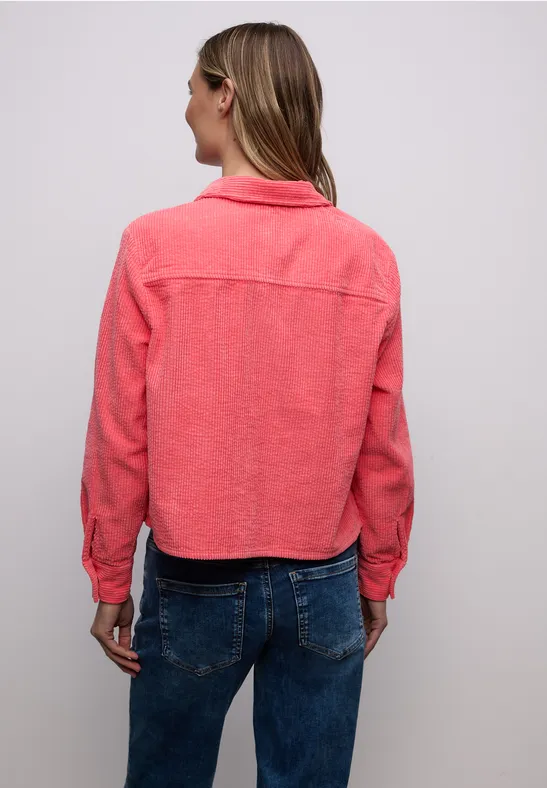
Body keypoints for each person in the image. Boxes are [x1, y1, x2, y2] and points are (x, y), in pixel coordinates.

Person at [80, 21, 415, 788]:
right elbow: (384, 445)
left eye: (192, 90)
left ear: (224, 95)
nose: (186, 108)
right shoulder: (366, 255)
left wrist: (108, 577)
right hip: (325, 578)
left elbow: (119, 433)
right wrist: (376, 575)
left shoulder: (153, 245)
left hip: (195, 576)